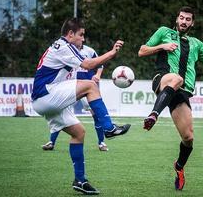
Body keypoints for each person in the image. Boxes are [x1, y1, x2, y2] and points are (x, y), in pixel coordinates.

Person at [31, 18, 131, 195]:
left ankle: (80, 180)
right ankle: (109, 128)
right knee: (91, 86)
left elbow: (86, 64)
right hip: (46, 94)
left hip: (44, 99)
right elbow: (89, 64)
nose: (83, 39)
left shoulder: (62, 47)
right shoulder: (63, 46)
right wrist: (112, 52)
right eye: (81, 35)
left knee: (79, 133)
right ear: (70, 34)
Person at [138, 6, 203, 190]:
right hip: (163, 79)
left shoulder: (196, 43)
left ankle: (179, 167)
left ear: (192, 23)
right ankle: (154, 114)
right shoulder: (164, 32)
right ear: (177, 19)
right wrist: (162, 46)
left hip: (182, 92)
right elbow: (142, 51)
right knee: (176, 78)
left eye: (187, 19)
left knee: (188, 137)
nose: (183, 21)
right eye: (181, 18)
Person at [42, 44, 109, 152]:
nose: (80, 39)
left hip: (86, 88)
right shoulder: (66, 51)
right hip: (70, 87)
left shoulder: (90, 51)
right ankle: (51, 142)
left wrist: (98, 75)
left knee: (95, 115)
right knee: (60, 111)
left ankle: (101, 142)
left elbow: (100, 65)